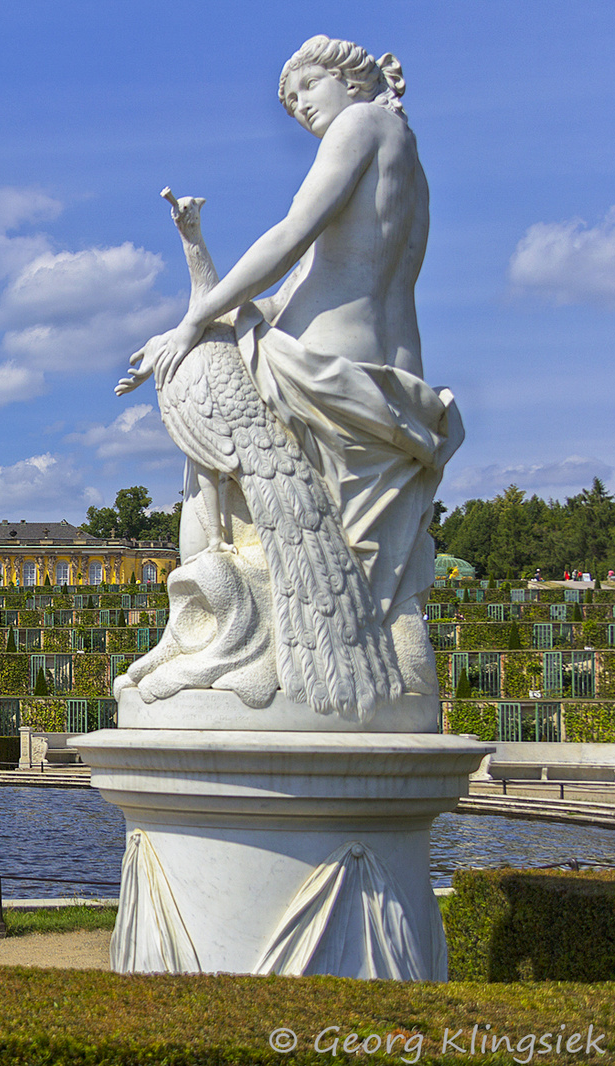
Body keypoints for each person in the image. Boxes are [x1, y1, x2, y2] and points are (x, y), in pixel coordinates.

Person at [117, 35, 456, 701]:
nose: (300, 107)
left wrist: (188, 326)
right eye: (290, 101)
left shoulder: (364, 123)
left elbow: (290, 235)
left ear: (351, 80)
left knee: (198, 399)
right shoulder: (402, 159)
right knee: (369, 573)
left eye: (307, 88)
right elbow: (288, 290)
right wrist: (196, 253)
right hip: (388, 373)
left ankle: (214, 607)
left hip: (318, 368)